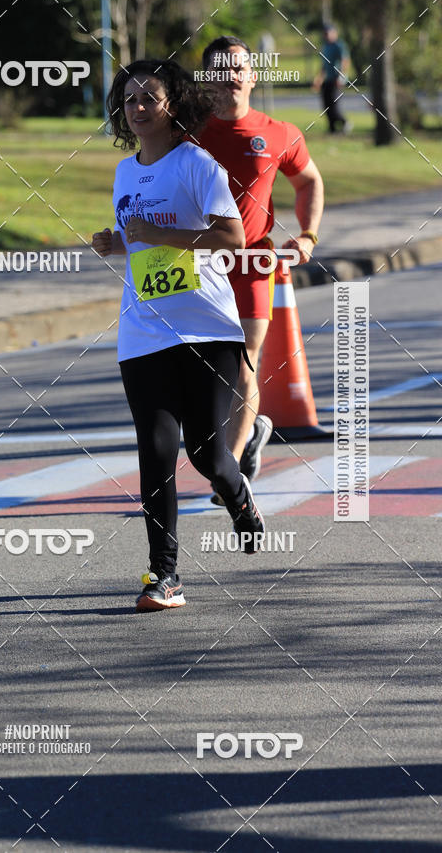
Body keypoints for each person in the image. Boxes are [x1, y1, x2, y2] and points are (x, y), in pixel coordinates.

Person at [91, 59, 265, 612]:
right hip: (143, 332)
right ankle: (164, 577)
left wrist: (160, 231)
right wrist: (114, 244)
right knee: (156, 451)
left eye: (150, 98)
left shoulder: (196, 164)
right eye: (129, 99)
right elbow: (136, 241)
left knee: (209, 455)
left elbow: (232, 238)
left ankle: (237, 495)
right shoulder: (125, 172)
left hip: (206, 328)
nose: (138, 108)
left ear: (174, 106)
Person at [197, 36, 324, 499]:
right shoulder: (183, 131)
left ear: (252, 76)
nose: (230, 76)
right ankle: (251, 433)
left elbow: (309, 181)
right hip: (195, 266)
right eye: (219, 69)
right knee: (203, 373)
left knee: (243, 364)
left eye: (238, 68)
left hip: (252, 261)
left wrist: (307, 234)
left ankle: (227, 474)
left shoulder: (280, 132)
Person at [313, 24, 351, 134]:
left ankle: (344, 123)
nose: (326, 35)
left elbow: (345, 61)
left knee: (334, 105)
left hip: (336, 79)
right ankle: (332, 128)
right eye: (325, 33)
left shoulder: (339, 45)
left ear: (334, 33)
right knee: (326, 105)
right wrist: (319, 79)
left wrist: (341, 77)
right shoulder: (325, 47)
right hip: (327, 80)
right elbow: (324, 65)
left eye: (328, 33)